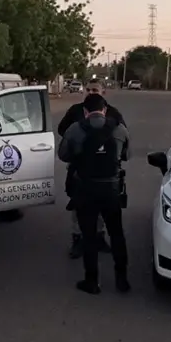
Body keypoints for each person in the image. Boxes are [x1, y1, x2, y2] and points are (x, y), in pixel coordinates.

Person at [58, 93, 130, 294]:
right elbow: (127, 155)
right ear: (105, 109)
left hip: (86, 190)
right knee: (117, 234)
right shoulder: (119, 128)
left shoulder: (75, 129)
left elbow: (63, 155)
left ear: (85, 111)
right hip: (112, 189)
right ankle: (122, 280)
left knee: (88, 236)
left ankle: (92, 282)